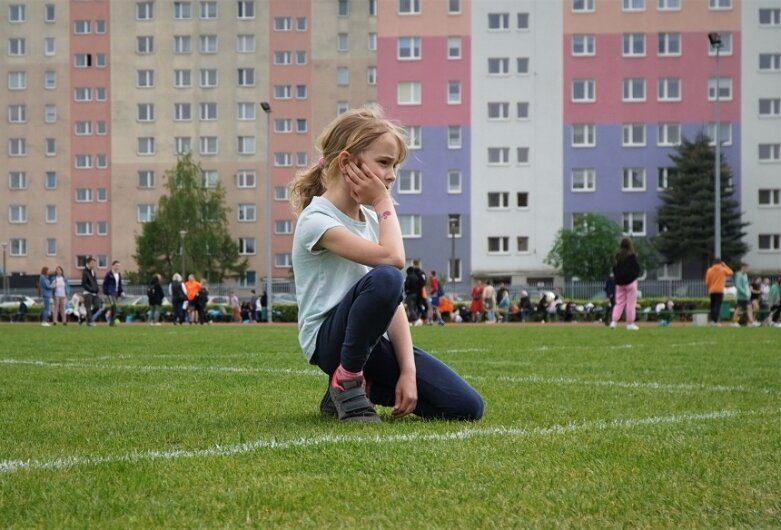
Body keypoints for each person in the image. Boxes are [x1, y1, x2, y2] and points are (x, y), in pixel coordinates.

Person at [289, 106, 483, 423]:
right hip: (329, 341)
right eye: (384, 163)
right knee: (388, 277)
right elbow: (392, 263)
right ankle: (346, 381)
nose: (391, 175)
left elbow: (392, 303)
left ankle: (361, 385)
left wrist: (408, 371)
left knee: (466, 406)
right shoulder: (316, 219)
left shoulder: (368, 219)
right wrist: (383, 202)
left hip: (369, 341)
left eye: (394, 165)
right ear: (347, 163)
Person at [609, 237, 642, 331]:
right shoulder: (632, 256)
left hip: (619, 283)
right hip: (631, 282)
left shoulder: (617, 256)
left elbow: (614, 269)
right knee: (631, 303)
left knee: (619, 303)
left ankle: (614, 322)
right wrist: (634, 276)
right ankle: (630, 323)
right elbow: (636, 269)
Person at [704, 258, 733, 326]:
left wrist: (708, 288)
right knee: (717, 306)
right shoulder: (722, 269)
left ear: (713, 263)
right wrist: (725, 265)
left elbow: (707, 282)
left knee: (712, 306)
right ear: (720, 263)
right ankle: (716, 321)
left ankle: (712, 320)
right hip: (720, 290)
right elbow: (731, 272)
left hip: (712, 290)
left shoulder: (709, 270)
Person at [102, 260, 124, 326]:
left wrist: (122, 291)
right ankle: (112, 322)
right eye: (116, 265)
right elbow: (105, 284)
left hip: (117, 292)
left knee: (113, 307)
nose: (117, 267)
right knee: (114, 306)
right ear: (113, 266)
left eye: (118, 266)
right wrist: (105, 293)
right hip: (110, 293)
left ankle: (111, 322)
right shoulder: (109, 274)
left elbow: (119, 284)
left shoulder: (118, 274)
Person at [81, 257, 100, 326]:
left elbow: (95, 282)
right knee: (88, 308)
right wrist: (91, 289)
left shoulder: (93, 272)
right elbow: (83, 283)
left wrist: (96, 289)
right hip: (88, 293)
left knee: (97, 306)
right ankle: (90, 322)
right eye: (92, 263)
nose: (93, 265)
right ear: (88, 264)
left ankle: (84, 318)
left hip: (94, 293)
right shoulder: (85, 272)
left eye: (94, 263)